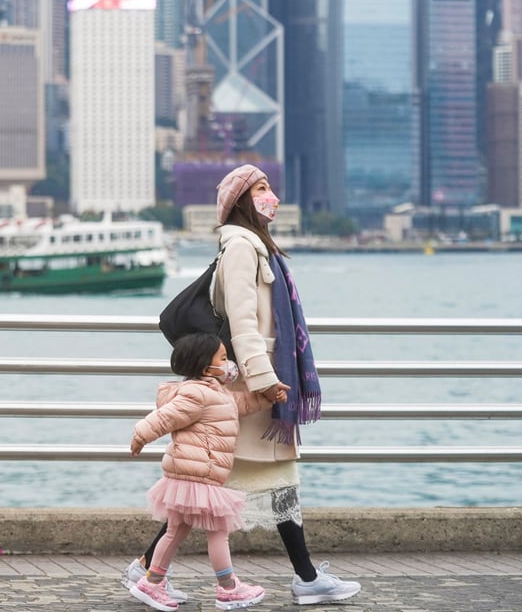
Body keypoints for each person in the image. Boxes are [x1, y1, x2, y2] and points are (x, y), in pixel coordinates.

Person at [122, 164, 362, 606]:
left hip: (256, 383)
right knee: (212, 483)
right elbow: (243, 321)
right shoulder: (240, 247)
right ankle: (154, 573)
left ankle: (304, 577)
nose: (271, 195)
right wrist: (267, 381)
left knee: (221, 483)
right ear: (241, 202)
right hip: (252, 385)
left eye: (270, 186)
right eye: (261, 188)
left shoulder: (256, 247)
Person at [128, 331, 283, 612]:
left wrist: (268, 398)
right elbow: (165, 417)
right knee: (218, 531)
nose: (229, 364)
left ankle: (152, 582)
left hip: (189, 474)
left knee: (175, 531)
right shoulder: (197, 394)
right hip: (199, 475)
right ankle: (229, 589)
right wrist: (141, 434)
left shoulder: (215, 392)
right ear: (205, 367)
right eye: (223, 358)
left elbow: (241, 404)